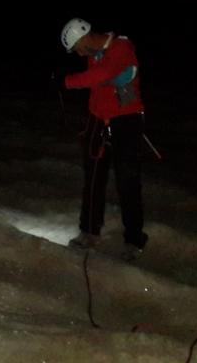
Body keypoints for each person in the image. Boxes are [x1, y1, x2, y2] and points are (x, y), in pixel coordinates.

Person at [58, 17, 148, 260]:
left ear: (85, 37)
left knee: (128, 182)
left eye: (77, 48)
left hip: (126, 121)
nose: (79, 54)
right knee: (93, 179)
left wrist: (66, 82)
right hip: (98, 120)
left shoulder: (121, 47)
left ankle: (134, 240)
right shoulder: (93, 54)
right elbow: (97, 85)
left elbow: (101, 75)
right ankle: (89, 231)